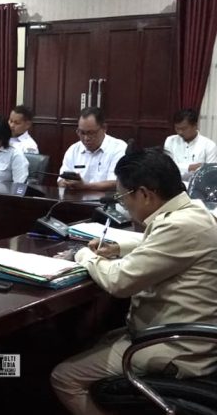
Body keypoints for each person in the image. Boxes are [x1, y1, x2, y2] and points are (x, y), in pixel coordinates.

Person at [51, 149, 217, 415]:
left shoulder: (180, 225)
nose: (123, 205)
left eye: (122, 197)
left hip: (176, 347)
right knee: (87, 339)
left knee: (65, 377)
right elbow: (159, 245)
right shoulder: (193, 211)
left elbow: (119, 281)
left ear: (144, 194)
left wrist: (82, 254)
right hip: (176, 334)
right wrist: (119, 247)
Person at [58, 107, 127, 191]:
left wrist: (84, 186)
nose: (86, 138)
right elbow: (60, 180)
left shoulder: (118, 148)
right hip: (75, 197)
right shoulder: (73, 150)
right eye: (82, 133)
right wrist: (65, 183)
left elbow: (116, 183)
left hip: (106, 198)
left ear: (104, 128)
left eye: (91, 133)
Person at [163, 108, 217, 180]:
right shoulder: (170, 140)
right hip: (174, 184)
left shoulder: (209, 145)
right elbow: (166, 166)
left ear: (195, 126)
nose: (180, 132)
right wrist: (190, 167)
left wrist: (179, 167)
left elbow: (210, 172)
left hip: (198, 185)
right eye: (177, 128)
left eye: (184, 129)